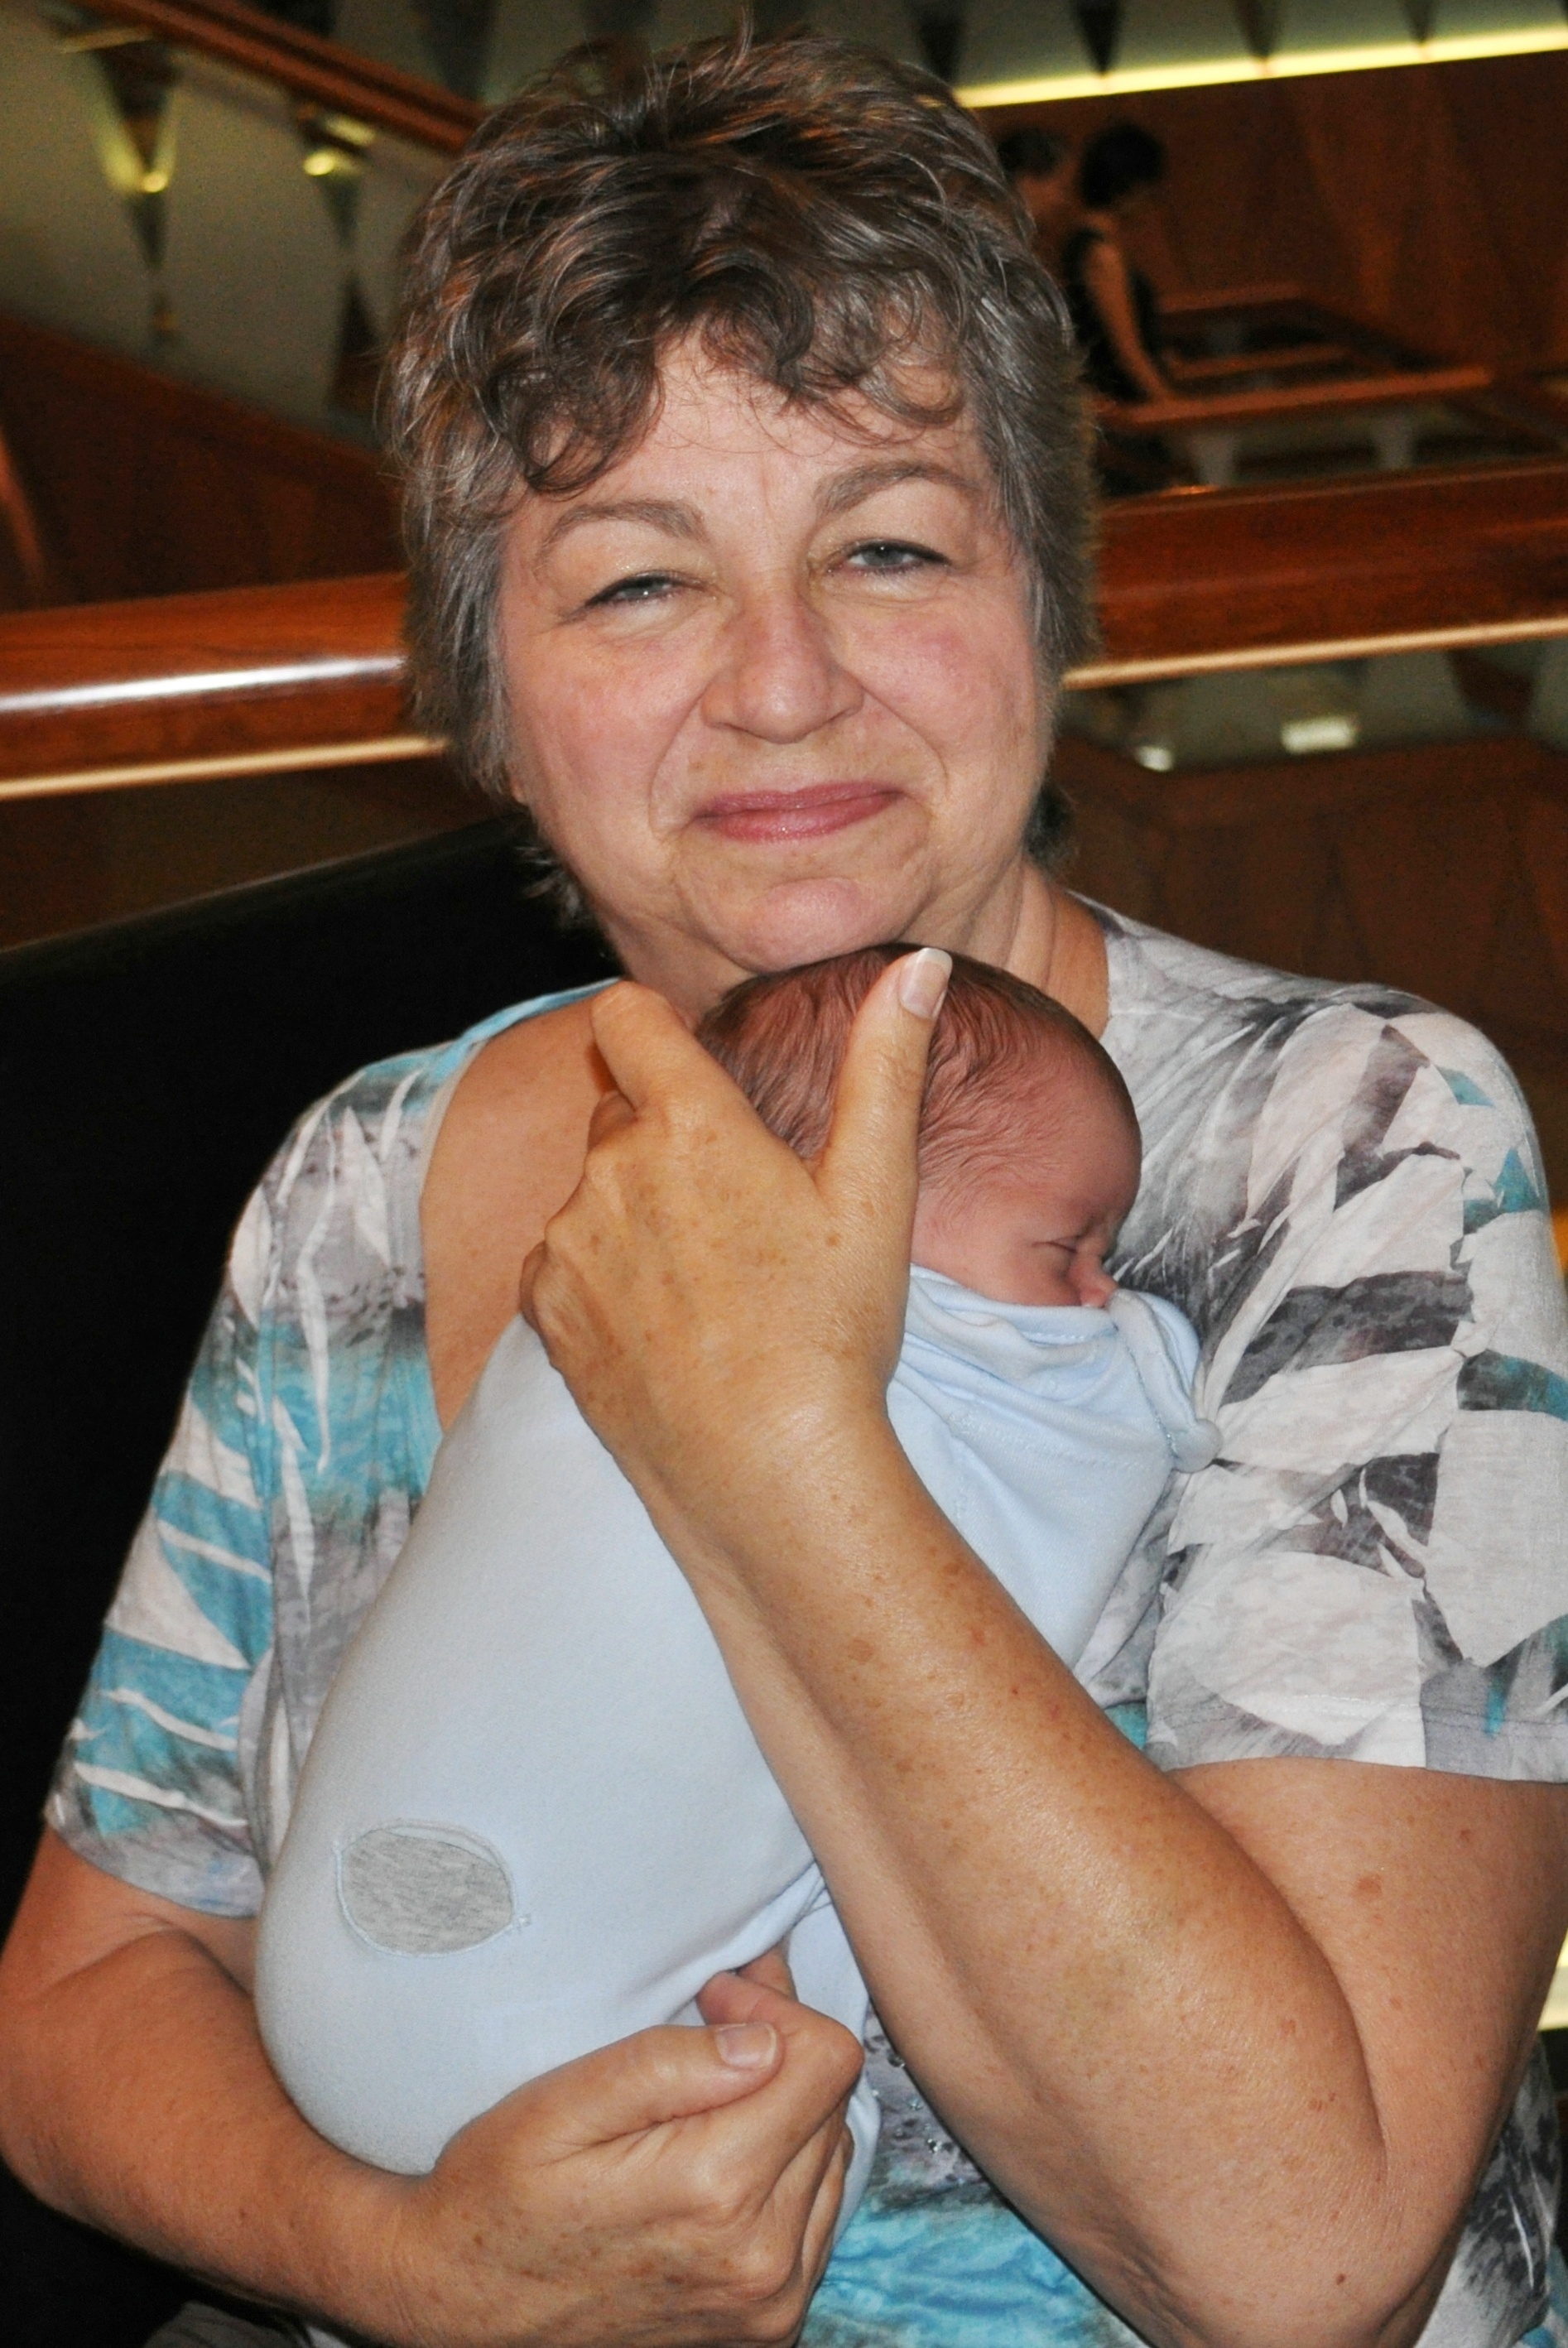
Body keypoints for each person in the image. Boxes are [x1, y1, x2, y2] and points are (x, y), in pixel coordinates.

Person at [1, 29, 1566, 2348]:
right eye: (639, 583)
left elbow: (1292, 2252)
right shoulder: (366, 1178)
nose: (781, 681)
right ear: (490, 693)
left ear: (1042, 601)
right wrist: (411, 2266)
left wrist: (773, 1440)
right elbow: (83, 1992)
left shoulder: (1341, 1141)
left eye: (888, 544)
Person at [253, 947, 1213, 2215]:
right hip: (562, 2066)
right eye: (1065, 1248)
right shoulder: (415, 1195)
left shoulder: (568, 1301)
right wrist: (1140, 1358)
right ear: (863, 1200)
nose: (1097, 1290)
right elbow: (1094, 1443)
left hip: (333, 1997)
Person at [1061, 119, 1171, 405]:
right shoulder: (1101, 254)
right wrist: (1172, 407)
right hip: (1123, 403)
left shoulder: (1088, 245)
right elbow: (1127, 351)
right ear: (1132, 186)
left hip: (1117, 398)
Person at [996, 125, 1077, 271]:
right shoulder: (994, 241)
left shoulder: (1019, 240)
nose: (1064, 201)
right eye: (1062, 188)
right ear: (1027, 181)